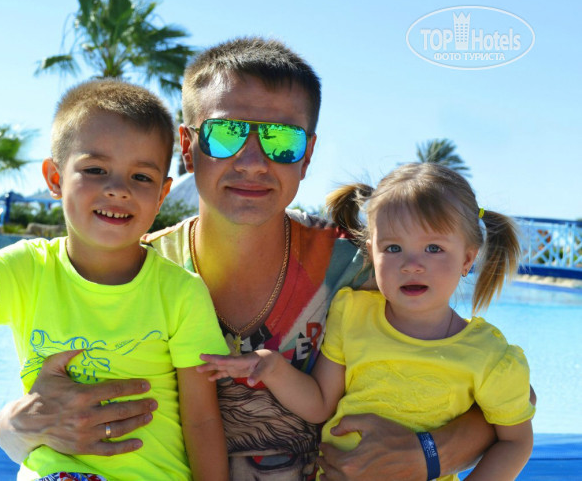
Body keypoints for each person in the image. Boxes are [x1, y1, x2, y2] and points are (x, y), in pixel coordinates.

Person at [0, 37, 504, 480]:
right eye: (227, 134)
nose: (254, 162)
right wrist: (14, 427)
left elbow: (497, 406)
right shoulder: (132, 271)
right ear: (188, 148)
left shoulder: (359, 273)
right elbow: (33, 415)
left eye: (281, 140)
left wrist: (427, 455)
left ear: (307, 155)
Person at [0, 77, 230, 480]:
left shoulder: (181, 293)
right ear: (55, 179)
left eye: (141, 177)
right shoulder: (30, 269)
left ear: (161, 194)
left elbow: (201, 421)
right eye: (95, 169)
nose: (118, 189)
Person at [199, 163, 535, 480]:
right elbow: (320, 403)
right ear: (371, 252)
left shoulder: (489, 355)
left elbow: (516, 441)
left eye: (434, 248)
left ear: (467, 259)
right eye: (393, 248)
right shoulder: (353, 314)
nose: (412, 264)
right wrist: (271, 367)